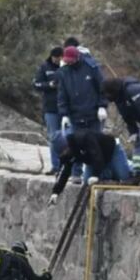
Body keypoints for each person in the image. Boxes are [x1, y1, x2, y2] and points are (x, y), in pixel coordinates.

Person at [57, 46, 107, 184]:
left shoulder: (91, 67)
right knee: (75, 145)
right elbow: (62, 95)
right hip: (75, 114)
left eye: (71, 61)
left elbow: (103, 88)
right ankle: (76, 173)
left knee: (96, 145)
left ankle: (98, 173)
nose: (70, 63)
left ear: (77, 57)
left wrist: (102, 106)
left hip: (93, 113)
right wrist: (64, 114)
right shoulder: (64, 72)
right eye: (67, 62)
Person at [47, 129, 131, 204]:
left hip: (111, 151)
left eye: (65, 150)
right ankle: (108, 173)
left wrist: (95, 175)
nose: (66, 153)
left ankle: (130, 167)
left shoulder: (83, 138)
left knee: (124, 177)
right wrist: (55, 192)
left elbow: (97, 155)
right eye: (63, 153)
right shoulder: (65, 155)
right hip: (92, 161)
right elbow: (65, 172)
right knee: (87, 181)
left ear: (67, 144)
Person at [33, 47, 63, 175]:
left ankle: (67, 167)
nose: (58, 60)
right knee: (53, 137)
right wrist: (49, 85)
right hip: (51, 108)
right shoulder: (44, 67)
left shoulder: (66, 67)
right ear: (52, 57)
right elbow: (36, 84)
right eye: (56, 58)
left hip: (66, 108)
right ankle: (55, 166)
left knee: (67, 137)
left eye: (60, 58)